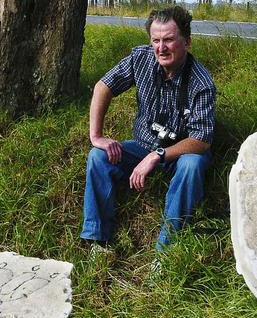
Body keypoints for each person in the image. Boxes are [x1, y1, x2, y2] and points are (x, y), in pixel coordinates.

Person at [80, 6, 216, 253]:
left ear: (187, 42)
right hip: (142, 145)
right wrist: (96, 136)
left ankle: (166, 253)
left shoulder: (201, 83)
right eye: (156, 40)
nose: (161, 48)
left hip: (180, 154)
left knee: (192, 165)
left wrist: (158, 156)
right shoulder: (140, 58)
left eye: (169, 40)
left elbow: (201, 140)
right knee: (98, 156)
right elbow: (103, 86)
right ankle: (97, 240)